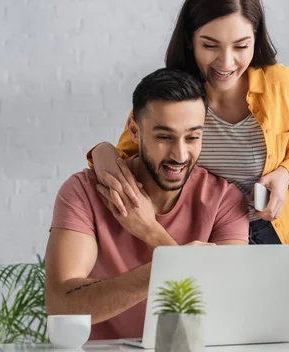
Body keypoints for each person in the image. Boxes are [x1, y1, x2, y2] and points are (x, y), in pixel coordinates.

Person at [89, 0, 289, 334]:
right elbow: (128, 151)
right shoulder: (175, 95)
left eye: (241, 46)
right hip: (218, 246)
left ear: (256, 40)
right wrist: (101, 152)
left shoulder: (282, 85)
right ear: (190, 42)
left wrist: (287, 172)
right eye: (210, 45)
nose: (226, 62)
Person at [45, 68, 249, 340]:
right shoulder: (83, 192)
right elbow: (61, 305)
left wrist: (151, 233)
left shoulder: (225, 200)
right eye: (164, 137)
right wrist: (169, 267)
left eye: (192, 137)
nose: (179, 155)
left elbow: (227, 309)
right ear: (135, 131)